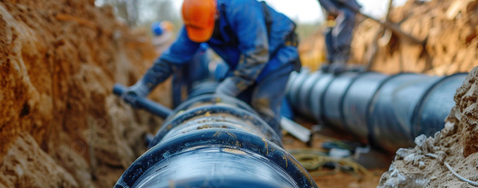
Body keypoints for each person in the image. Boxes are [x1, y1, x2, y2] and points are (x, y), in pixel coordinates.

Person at [124, 0, 300, 135]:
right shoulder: (196, 22)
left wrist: (229, 88)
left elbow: (256, 54)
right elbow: (171, 59)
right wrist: (143, 86)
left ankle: (275, 161)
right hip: (247, 62)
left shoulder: (241, 7)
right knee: (244, 108)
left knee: (263, 106)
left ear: (215, 14)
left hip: (277, 53)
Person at [318, 0, 361, 71]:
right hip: (334, 8)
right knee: (330, 26)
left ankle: (340, 57)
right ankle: (332, 59)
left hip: (346, 7)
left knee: (346, 16)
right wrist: (333, 10)